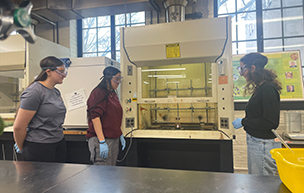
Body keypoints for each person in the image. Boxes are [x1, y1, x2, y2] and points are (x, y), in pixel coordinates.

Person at [233, 53, 282, 176]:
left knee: (262, 184)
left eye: (243, 69)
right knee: (256, 182)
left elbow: (270, 122)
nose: (241, 73)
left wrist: (243, 122)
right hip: (256, 142)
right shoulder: (260, 88)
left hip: (262, 145)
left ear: (253, 68)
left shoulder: (268, 89)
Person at [13, 56, 68, 162]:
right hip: (39, 146)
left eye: (65, 71)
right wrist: (22, 148)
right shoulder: (34, 92)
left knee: (58, 178)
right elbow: (18, 127)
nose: (64, 75)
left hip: (58, 142)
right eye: (61, 71)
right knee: (40, 178)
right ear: (49, 72)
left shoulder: (55, 92)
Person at [86, 66, 126, 165]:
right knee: (102, 173)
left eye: (120, 79)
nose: (118, 82)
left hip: (113, 138)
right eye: (116, 79)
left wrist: (119, 133)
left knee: (111, 171)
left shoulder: (112, 94)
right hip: (101, 139)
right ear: (107, 78)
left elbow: (114, 117)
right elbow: (95, 118)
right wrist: (102, 141)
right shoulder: (98, 93)